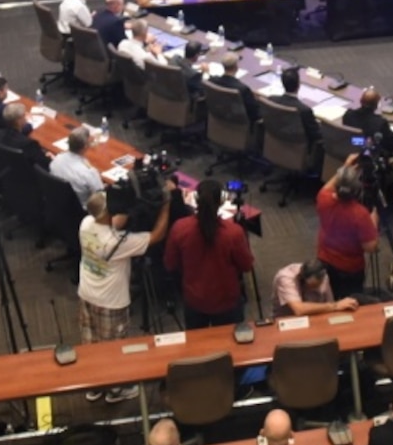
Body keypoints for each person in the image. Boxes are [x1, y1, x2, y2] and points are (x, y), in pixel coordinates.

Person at [80, 185, 174, 402]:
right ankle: (116, 390)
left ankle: (94, 386)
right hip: (111, 302)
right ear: (108, 213)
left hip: (87, 293)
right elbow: (157, 235)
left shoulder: (86, 224)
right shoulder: (116, 242)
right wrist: (166, 204)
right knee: (114, 347)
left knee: (92, 343)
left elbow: (114, 222)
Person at [165, 179, 253, 328]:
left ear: (196, 199)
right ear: (221, 201)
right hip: (227, 299)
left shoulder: (180, 228)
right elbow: (246, 265)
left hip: (194, 299)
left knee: (198, 346)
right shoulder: (233, 232)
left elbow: (170, 263)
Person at [316, 160, 378, 299]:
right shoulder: (360, 214)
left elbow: (331, 184)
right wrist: (373, 220)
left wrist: (346, 166)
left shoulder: (323, 199)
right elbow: (371, 247)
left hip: (324, 260)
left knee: (329, 298)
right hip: (349, 269)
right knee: (349, 304)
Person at [272, 259, 358, 317]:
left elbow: (329, 303)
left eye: (315, 286)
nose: (311, 288)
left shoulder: (324, 276)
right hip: (288, 319)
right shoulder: (285, 278)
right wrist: (336, 305)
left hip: (315, 316)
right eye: (308, 286)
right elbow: (299, 310)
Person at [49, 127, 104, 206]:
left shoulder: (56, 160)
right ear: (85, 146)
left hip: (58, 203)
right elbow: (101, 194)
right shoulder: (88, 173)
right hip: (82, 210)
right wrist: (94, 171)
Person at [342, 88, 393, 154]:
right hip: (369, 155)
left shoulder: (348, 115)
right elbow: (392, 143)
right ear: (376, 105)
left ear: (360, 101)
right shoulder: (380, 123)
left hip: (350, 147)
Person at [280, 66, 322, 154]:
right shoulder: (304, 110)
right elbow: (317, 135)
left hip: (276, 143)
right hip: (300, 151)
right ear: (299, 85)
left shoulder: (271, 99)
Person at [0, 102, 51, 169]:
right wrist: (48, 156)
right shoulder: (28, 144)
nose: (26, 117)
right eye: (24, 115)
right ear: (18, 121)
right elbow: (45, 163)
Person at [209, 54, 260, 122]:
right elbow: (254, 112)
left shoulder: (213, 81)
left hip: (220, 117)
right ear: (236, 67)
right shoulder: (243, 89)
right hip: (241, 122)